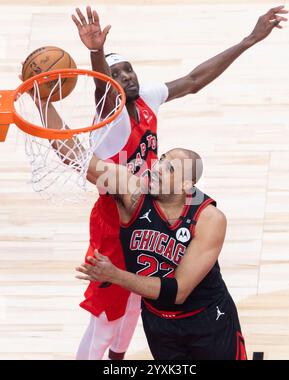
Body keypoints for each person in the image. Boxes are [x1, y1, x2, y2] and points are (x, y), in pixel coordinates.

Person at [70, 5, 288, 360]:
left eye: (128, 69)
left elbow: (193, 81)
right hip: (117, 212)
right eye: (116, 73)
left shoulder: (147, 97)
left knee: (138, 300)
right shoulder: (110, 117)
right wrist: (95, 52)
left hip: (154, 202)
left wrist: (250, 39)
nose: (125, 77)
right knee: (107, 315)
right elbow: (105, 91)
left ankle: (117, 360)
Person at [76, 148, 247, 360]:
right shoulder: (133, 192)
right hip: (159, 323)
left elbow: (178, 291)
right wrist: (42, 117)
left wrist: (115, 275)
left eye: (169, 168)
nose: (157, 168)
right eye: (161, 160)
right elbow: (78, 157)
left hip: (208, 321)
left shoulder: (209, 219)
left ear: (185, 184)